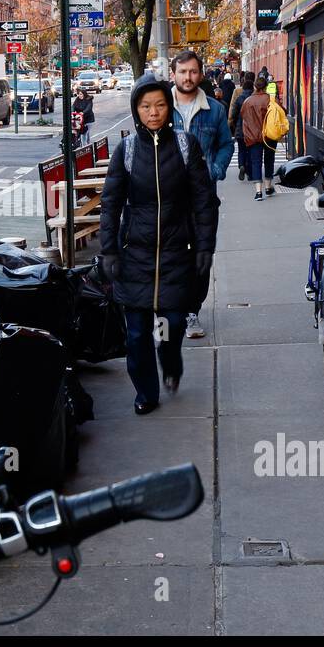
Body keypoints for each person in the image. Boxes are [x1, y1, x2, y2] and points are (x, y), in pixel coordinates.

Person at [99, 77, 218, 415]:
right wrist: (109, 249)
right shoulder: (127, 150)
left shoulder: (185, 146)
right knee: (136, 334)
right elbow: (111, 203)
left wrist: (205, 247)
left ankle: (171, 363)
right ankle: (146, 393)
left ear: (169, 107)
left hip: (176, 253)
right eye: (146, 106)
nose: (153, 113)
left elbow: (204, 201)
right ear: (136, 110)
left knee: (172, 325)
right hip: (135, 254)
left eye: (160, 105)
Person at [169, 49, 232, 340]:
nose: (188, 77)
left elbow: (225, 145)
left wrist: (215, 170)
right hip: (167, 198)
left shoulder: (215, 111)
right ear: (173, 74)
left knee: (202, 255)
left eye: (193, 71)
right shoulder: (159, 107)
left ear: (200, 74)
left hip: (203, 198)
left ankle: (192, 311)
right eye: (182, 72)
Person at [241, 79, 285, 201]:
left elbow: (244, 117)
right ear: (266, 87)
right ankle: (268, 187)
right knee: (269, 160)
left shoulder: (248, 101)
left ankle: (258, 192)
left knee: (256, 162)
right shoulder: (272, 100)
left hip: (254, 136)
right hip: (270, 135)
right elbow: (283, 112)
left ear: (255, 87)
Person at [228, 72, 256, 182]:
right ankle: (249, 173)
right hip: (252, 130)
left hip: (240, 129)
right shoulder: (254, 98)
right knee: (250, 151)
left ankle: (241, 165)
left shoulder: (239, 98)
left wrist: (233, 123)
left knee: (241, 150)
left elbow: (233, 113)